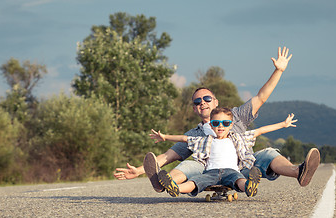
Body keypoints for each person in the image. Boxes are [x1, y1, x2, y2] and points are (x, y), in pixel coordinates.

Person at [114, 46, 321, 193]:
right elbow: (166, 157)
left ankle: (299, 172)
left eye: (206, 98)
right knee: (187, 166)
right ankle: (163, 183)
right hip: (208, 169)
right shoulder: (194, 135)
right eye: (197, 102)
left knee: (267, 153)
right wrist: (140, 171)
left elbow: (261, 97)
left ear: (215, 101)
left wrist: (278, 70)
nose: (202, 103)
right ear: (195, 109)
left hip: (243, 166)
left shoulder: (236, 116)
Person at [150, 108, 298, 198]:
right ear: (211, 125)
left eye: (225, 123)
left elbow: (260, 130)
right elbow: (184, 138)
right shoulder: (205, 140)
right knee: (196, 182)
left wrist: (283, 124)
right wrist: (165, 137)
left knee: (239, 180)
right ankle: (175, 188)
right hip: (211, 172)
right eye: (216, 123)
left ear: (231, 125)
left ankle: (250, 186)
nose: (221, 126)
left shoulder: (238, 138)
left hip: (231, 171)